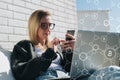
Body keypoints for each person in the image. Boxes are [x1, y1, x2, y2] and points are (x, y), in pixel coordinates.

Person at [10, 10, 75, 80]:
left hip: (65, 75)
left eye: (50, 25)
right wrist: (50, 52)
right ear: (34, 26)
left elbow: (69, 68)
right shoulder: (24, 46)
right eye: (43, 25)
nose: (48, 29)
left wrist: (70, 51)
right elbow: (22, 74)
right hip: (46, 77)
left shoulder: (56, 46)